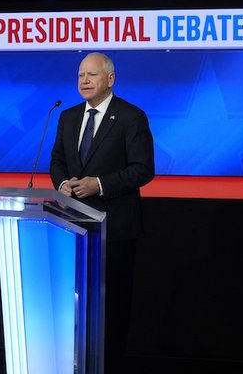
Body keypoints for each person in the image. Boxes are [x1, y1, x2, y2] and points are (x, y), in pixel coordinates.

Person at [49, 52, 154, 374]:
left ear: (110, 79)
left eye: (92, 75)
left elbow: (143, 170)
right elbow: (57, 161)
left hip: (115, 229)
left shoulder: (130, 117)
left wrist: (100, 184)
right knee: (77, 305)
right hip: (74, 226)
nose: (84, 80)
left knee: (112, 308)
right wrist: (64, 183)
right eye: (80, 74)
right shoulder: (67, 116)